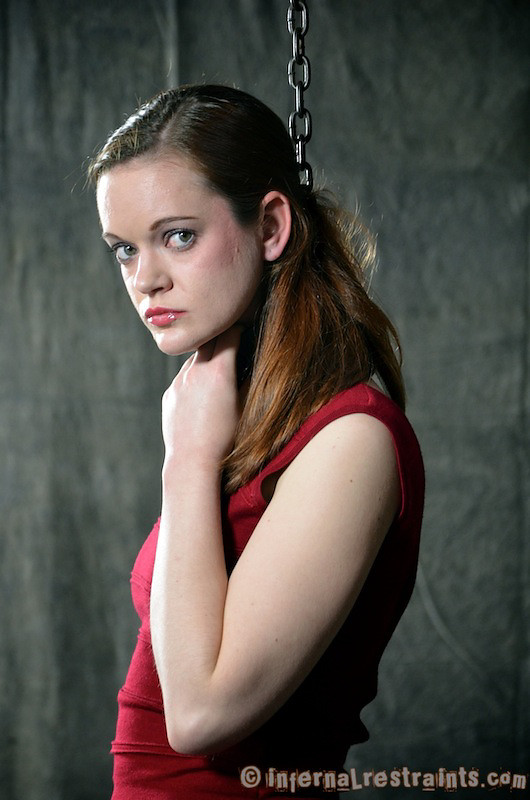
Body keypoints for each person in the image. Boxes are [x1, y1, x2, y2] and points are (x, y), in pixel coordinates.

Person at [88, 84, 424, 799]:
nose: (146, 280)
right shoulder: (245, 420)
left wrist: (187, 460)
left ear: (271, 226)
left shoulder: (352, 438)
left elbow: (200, 715)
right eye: (123, 249)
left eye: (179, 235)